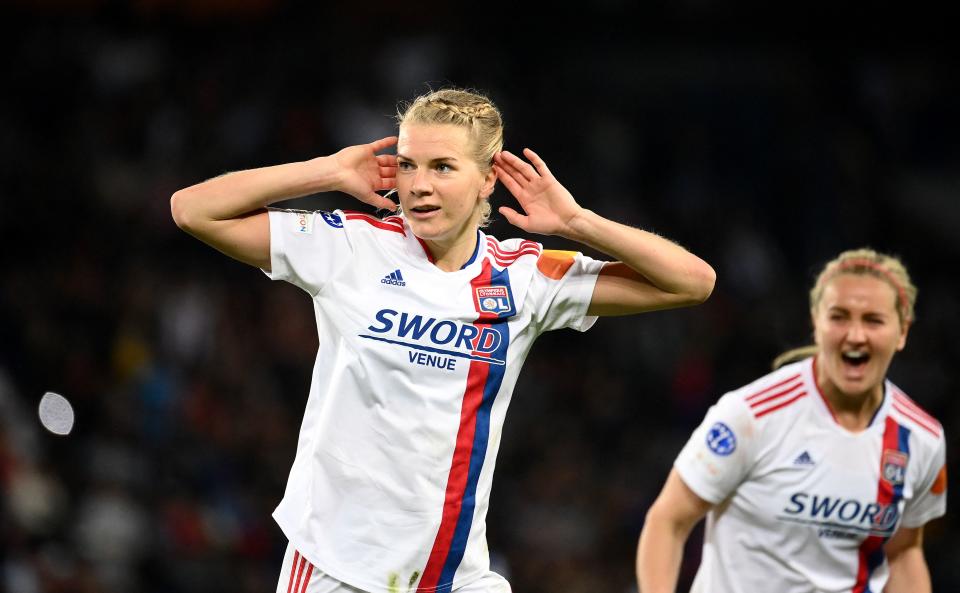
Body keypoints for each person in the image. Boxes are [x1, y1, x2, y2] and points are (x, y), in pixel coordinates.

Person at [171, 87, 716, 593]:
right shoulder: (349, 246)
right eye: (407, 165)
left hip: (453, 575)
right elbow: (192, 210)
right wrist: (327, 170)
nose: (419, 184)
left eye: (442, 167)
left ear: (487, 181)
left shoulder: (524, 276)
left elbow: (693, 282)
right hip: (334, 568)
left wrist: (576, 221)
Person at [636, 248, 947, 593]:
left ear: (902, 331)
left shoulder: (922, 439)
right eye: (839, 317)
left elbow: (903, 552)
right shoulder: (752, 415)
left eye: (873, 320)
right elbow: (668, 521)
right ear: (816, 323)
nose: (856, 335)